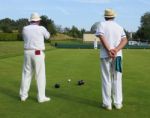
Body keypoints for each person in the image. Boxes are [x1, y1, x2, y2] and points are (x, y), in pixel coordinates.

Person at [95, 9, 128, 110]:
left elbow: (101, 36)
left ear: (105, 16)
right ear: (114, 17)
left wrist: (110, 50)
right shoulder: (119, 26)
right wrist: (116, 50)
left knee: (106, 78)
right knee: (117, 78)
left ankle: (107, 104)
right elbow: (125, 40)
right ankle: (118, 103)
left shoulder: (101, 24)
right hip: (117, 56)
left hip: (105, 55)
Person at [19, 12, 50, 103]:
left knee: (26, 74)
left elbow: (25, 39)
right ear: (38, 21)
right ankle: (41, 97)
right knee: (40, 75)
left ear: (31, 20)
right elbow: (48, 37)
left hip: (27, 52)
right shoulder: (41, 28)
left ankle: (23, 96)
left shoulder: (25, 28)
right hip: (37, 52)